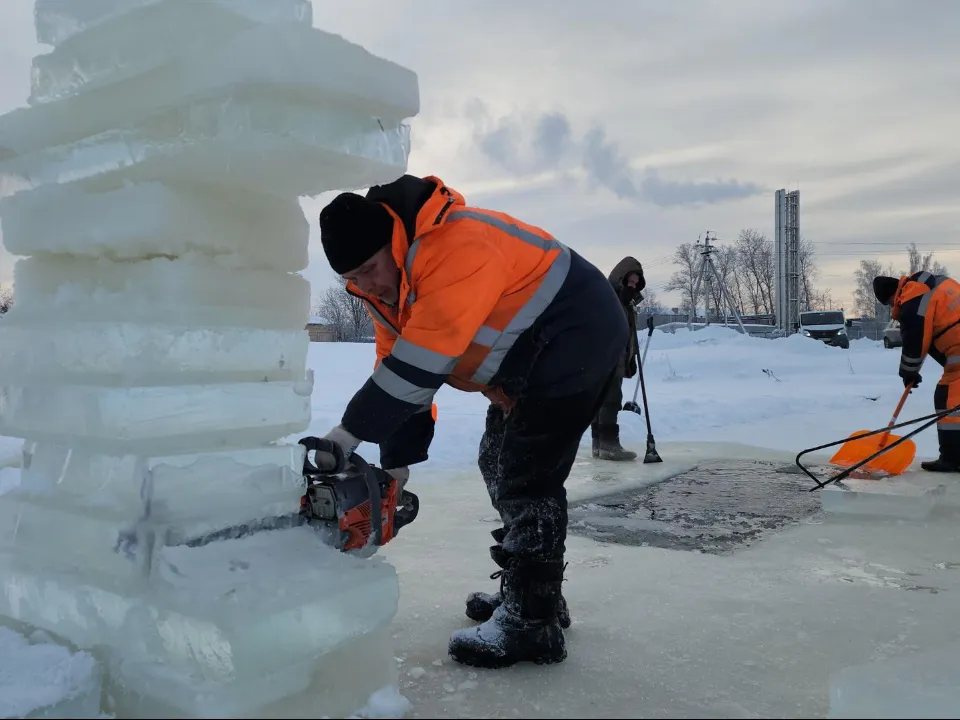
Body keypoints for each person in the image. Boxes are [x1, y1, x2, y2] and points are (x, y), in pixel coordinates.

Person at [311, 174, 628, 669]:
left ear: (392, 244)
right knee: (498, 459)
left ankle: (533, 622)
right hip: (533, 352)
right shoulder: (388, 297)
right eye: (353, 278)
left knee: (527, 470)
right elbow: (400, 381)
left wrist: (347, 435)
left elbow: (422, 361)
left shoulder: (452, 243)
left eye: (370, 268)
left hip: (578, 329)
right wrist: (395, 470)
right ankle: (534, 590)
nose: (365, 285)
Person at [874, 270, 960, 471]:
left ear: (892, 296)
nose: (893, 308)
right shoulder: (929, 285)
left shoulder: (912, 301)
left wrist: (908, 372)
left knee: (947, 398)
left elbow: (915, 342)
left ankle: (954, 459)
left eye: (889, 304)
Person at [590, 257, 646, 461]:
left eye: (635, 283)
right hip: (607, 355)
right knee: (610, 399)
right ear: (619, 279)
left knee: (604, 399)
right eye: (629, 282)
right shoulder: (609, 299)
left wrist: (630, 357)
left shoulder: (626, 303)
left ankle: (599, 445)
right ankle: (608, 445)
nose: (632, 286)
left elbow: (628, 332)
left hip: (617, 355)